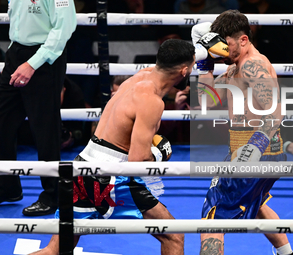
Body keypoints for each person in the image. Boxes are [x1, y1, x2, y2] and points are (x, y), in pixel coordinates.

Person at [28, 39, 195, 255]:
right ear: (183, 71)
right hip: (110, 176)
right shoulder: (152, 101)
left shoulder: (140, 77)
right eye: (191, 68)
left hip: (82, 168)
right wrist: (159, 154)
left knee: (55, 250)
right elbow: (137, 161)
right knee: (173, 236)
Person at [192, 10, 293, 255]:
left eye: (225, 44)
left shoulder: (252, 65)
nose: (222, 50)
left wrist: (254, 148)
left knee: (212, 215)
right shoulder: (235, 67)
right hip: (255, 151)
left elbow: (276, 112)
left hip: (258, 151)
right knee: (256, 204)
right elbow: (207, 100)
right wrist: (204, 60)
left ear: (243, 40)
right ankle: (286, 253)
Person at [0, 0, 77, 216]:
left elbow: (64, 28)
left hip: (44, 60)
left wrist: (34, 62)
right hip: (15, 52)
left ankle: (53, 195)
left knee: (45, 129)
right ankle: (7, 187)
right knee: (2, 121)